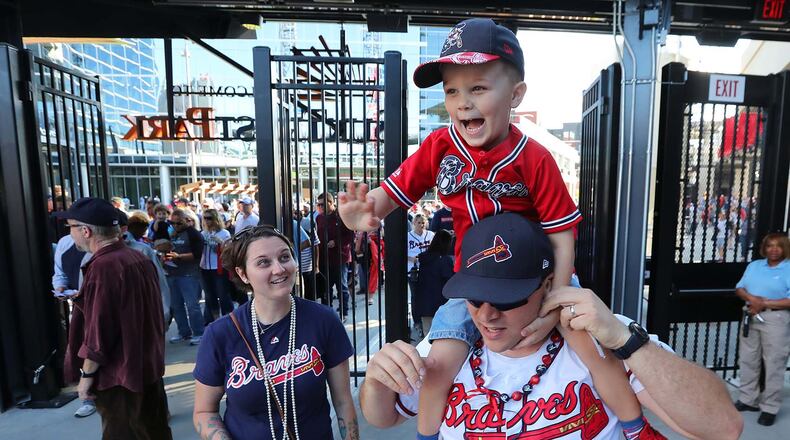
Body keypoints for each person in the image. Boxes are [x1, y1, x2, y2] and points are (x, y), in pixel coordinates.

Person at [338, 18, 642, 439]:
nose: (463, 102)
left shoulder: (533, 156)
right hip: (475, 285)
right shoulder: (439, 146)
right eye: (452, 90)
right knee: (440, 361)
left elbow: (560, 231)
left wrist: (557, 292)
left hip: (534, 278)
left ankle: (634, 426)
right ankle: (429, 435)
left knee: (589, 350)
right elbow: (394, 192)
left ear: (516, 94)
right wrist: (363, 214)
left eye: (478, 88)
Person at [360, 213, 743, 440]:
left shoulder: (602, 337)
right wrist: (376, 379)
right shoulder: (451, 343)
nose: (487, 315)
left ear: (546, 286)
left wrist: (628, 342)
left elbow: (723, 428)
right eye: (474, 298)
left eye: (508, 299)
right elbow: (383, 417)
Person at [192, 225, 358, 439]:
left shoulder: (323, 320)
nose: (279, 269)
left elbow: (343, 401)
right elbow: (204, 411)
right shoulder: (220, 334)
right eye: (263, 262)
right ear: (243, 274)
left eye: (285, 257)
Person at [55, 198, 171, 439]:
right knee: (154, 431)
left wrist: (86, 377)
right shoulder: (136, 258)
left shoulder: (105, 266)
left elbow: (98, 333)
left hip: (119, 377)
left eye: (71, 227)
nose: (71, 234)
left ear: (85, 231)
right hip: (145, 368)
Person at [733, 232, 790, 426]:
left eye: (778, 246)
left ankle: (770, 407)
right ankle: (748, 399)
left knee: (774, 363)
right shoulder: (755, 266)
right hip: (751, 315)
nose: (773, 250)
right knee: (748, 359)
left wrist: (763, 303)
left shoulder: (788, 268)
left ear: (784, 248)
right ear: (764, 248)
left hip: (775, 318)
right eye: (770, 246)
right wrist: (753, 300)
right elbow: (739, 288)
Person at [52, 232, 95, 418]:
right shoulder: (65, 243)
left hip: (99, 305)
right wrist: (60, 287)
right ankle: (88, 397)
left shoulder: (104, 250)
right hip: (81, 306)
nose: (71, 230)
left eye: (74, 225)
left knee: (95, 348)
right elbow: (59, 272)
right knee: (84, 347)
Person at [123, 210, 171, 326]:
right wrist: (165, 310)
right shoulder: (143, 250)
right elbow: (159, 280)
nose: (144, 233)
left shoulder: (143, 248)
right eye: (144, 230)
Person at [167, 208, 205, 345]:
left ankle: (199, 332)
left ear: (187, 221)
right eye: (173, 223)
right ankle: (183, 332)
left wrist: (179, 256)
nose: (175, 226)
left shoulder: (193, 234)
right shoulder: (172, 233)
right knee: (176, 305)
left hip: (189, 274)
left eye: (178, 223)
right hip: (173, 273)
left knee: (192, 305)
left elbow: (198, 254)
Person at [316, 192, 354, 321]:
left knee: (341, 287)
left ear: (331, 203)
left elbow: (350, 236)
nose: (320, 207)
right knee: (326, 288)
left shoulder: (341, 216)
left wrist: (336, 242)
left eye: (322, 204)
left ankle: (344, 313)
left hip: (339, 258)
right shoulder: (319, 218)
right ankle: (328, 314)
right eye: (318, 204)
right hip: (323, 258)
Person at [414, 229, 454, 335]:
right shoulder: (445, 260)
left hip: (424, 303)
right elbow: (449, 281)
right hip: (442, 305)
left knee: (427, 337)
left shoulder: (424, 258)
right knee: (441, 336)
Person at [199, 209, 234, 325]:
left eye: (210, 218)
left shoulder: (224, 233)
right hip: (205, 268)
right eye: (205, 218)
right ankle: (215, 321)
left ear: (216, 219)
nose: (207, 221)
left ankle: (229, 320)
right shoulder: (203, 234)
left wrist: (220, 243)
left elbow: (228, 250)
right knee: (209, 297)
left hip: (219, 268)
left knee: (223, 295)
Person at [407, 213, 434, 335]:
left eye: (423, 222)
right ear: (413, 224)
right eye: (418, 222)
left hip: (428, 269)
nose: (421, 225)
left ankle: (429, 319)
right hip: (413, 270)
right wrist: (415, 259)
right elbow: (403, 253)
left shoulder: (430, 234)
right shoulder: (408, 236)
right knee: (415, 297)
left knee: (428, 295)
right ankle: (417, 322)